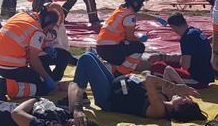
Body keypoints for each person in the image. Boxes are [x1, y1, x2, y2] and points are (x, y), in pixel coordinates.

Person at [68, 52, 206, 121]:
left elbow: (148, 80)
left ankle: (75, 103)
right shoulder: (167, 98)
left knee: (86, 59)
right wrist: (181, 84)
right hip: (117, 85)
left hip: (109, 98)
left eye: (184, 100)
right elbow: (168, 70)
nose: (183, 96)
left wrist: (175, 87)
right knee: (91, 55)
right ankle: (80, 95)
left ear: (178, 108)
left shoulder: (160, 110)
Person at [0, 5, 63, 100]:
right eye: (48, 29)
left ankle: (10, 83)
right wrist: (47, 78)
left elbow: (22, 37)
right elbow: (33, 61)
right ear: (47, 22)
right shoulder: (37, 31)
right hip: (10, 66)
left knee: (32, 77)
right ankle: (7, 87)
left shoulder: (22, 15)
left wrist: (44, 47)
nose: (47, 32)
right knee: (41, 86)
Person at [147, 12, 214, 89]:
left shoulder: (186, 38)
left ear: (174, 27)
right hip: (206, 74)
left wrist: (175, 63)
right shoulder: (195, 31)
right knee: (164, 63)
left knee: (156, 67)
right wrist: (163, 58)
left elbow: (185, 65)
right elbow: (190, 56)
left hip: (197, 79)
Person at [96, 0, 152, 75]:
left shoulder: (121, 9)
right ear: (136, 2)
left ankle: (113, 67)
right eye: (141, 3)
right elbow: (130, 38)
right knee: (139, 47)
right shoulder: (129, 17)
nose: (142, 5)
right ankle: (121, 72)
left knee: (128, 45)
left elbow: (136, 16)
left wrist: (156, 19)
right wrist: (140, 38)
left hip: (102, 47)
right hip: (110, 49)